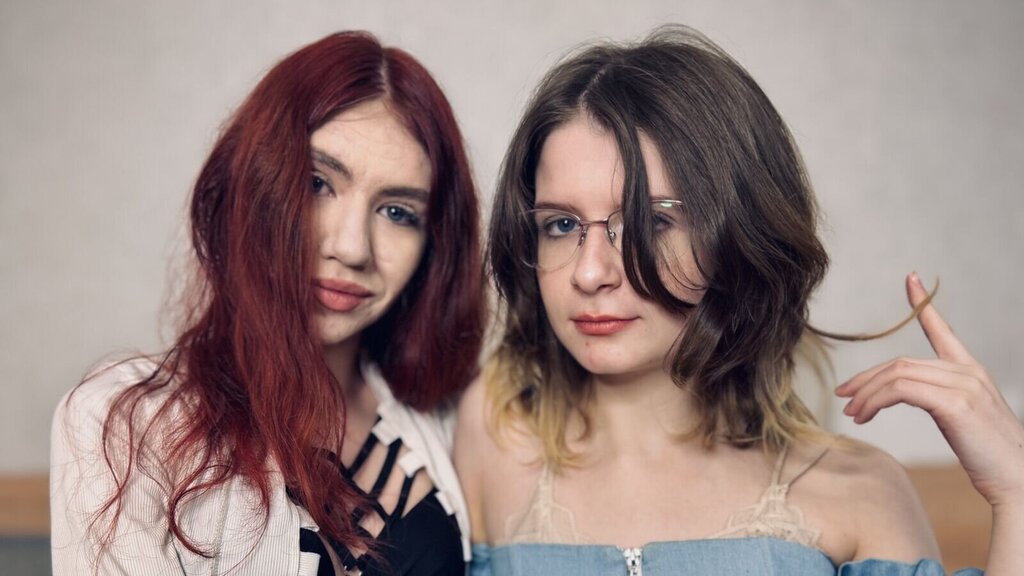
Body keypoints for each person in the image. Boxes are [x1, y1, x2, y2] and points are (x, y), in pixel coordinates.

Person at [456, 26, 1023, 575]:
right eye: (560, 224)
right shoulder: (491, 439)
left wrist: (1016, 491)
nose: (589, 272)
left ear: (736, 236)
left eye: (651, 222)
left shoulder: (859, 493)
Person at [50, 31, 483, 576]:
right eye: (316, 183)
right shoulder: (122, 424)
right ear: (254, 185)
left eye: (397, 212)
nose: (352, 248)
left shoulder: (452, 421)